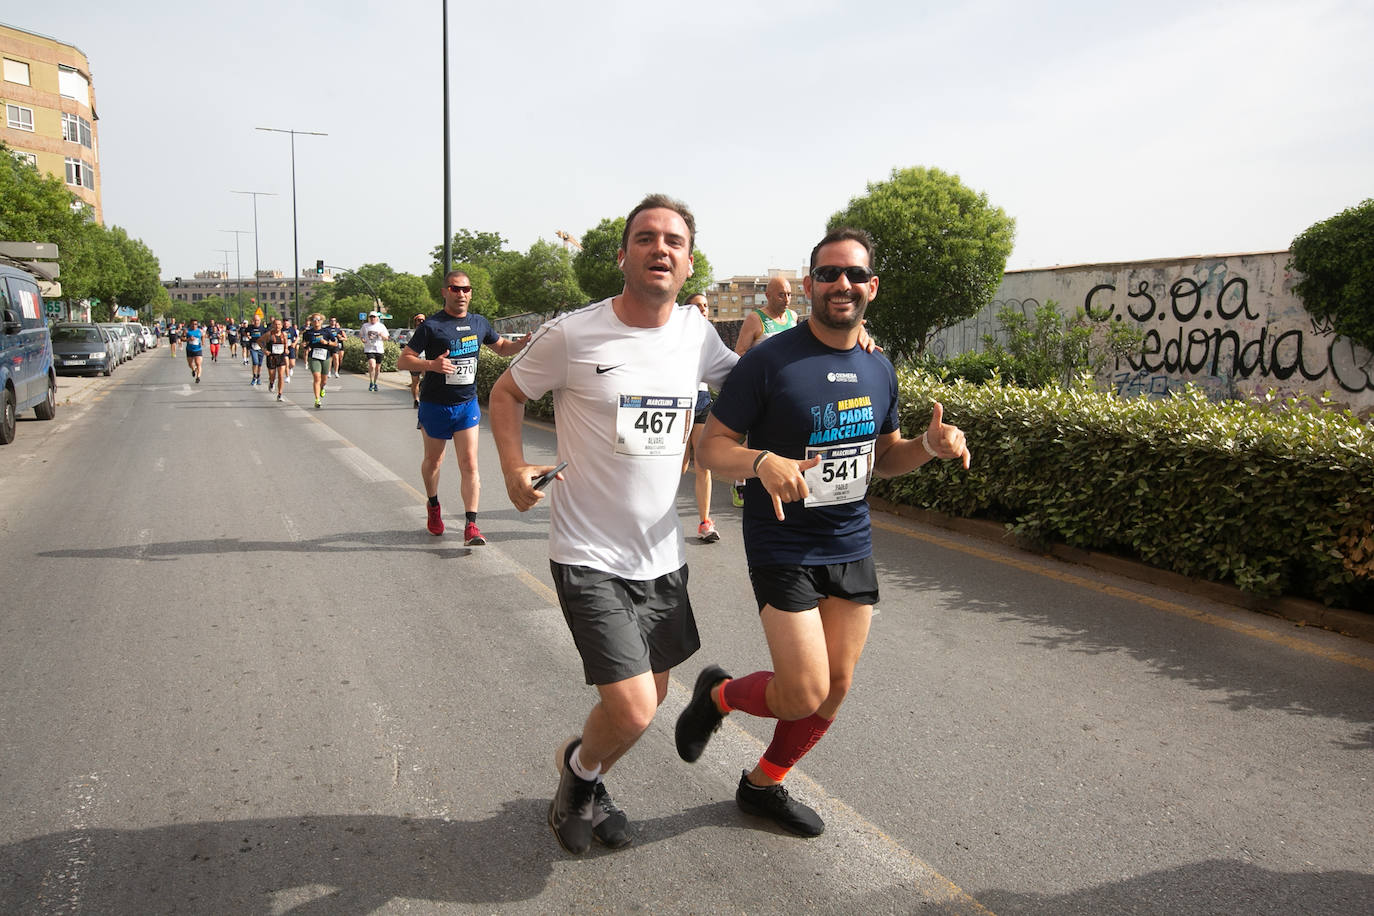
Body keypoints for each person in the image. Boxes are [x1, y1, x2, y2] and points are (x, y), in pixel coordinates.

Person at [675, 227, 971, 838]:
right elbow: (709, 447)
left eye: (855, 275)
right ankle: (720, 696)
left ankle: (762, 785)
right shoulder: (768, 362)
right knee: (801, 690)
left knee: (834, 691)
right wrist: (761, 461)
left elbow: (884, 457)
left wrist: (926, 448)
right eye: (830, 274)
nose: (843, 285)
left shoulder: (878, 367)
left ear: (872, 287)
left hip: (850, 540)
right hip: (782, 541)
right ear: (810, 285)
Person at [488, 194, 737, 855]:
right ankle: (577, 778)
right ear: (623, 254)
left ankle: (587, 776)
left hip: (660, 553)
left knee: (648, 700)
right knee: (630, 708)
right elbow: (507, 392)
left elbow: (754, 388)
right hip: (587, 552)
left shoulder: (696, 335)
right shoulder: (574, 333)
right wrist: (513, 470)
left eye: (674, 241)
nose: (661, 248)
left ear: (687, 265)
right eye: (647, 237)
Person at [398, 271, 529, 545]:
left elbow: (501, 347)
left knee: (469, 463)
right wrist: (431, 365)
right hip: (435, 404)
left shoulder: (479, 323)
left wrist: (520, 344)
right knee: (434, 461)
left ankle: (472, 526)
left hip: (466, 405)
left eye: (466, 289)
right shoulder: (432, 326)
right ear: (445, 292)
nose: (461, 294)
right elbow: (404, 360)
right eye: (455, 289)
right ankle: (434, 506)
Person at [727, 274, 800, 507]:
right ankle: (740, 482)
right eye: (781, 294)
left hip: (787, 389)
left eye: (789, 294)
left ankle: (779, 480)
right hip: (762, 389)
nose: (786, 299)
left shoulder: (793, 317)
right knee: (755, 437)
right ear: (767, 295)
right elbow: (739, 352)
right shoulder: (755, 319)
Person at [683, 293, 720, 543]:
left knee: (703, 463)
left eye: (706, 306)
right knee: (679, 464)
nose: (703, 309)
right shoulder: (675, 334)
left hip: (703, 400)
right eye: (697, 305)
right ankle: (656, 520)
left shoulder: (710, 336)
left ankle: (705, 523)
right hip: (679, 403)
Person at [301, 313, 341, 408]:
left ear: (322, 321)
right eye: (314, 320)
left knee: (324, 381)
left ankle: (322, 388)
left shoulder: (326, 332)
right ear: (311, 321)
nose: (316, 321)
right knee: (316, 378)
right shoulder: (308, 333)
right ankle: (317, 399)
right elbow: (305, 344)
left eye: (318, 320)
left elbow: (335, 343)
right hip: (313, 356)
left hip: (325, 356)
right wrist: (304, 346)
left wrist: (326, 342)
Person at [260, 317, 289, 400]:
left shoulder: (284, 334)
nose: (277, 326)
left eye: (279, 324)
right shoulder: (269, 334)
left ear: (282, 325)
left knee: (281, 376)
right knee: (272, 376)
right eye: (275, 324)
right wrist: (264, 350)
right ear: (273, 325)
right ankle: (271, 382)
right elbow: (259, 341)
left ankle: (280, 394)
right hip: (271, 357)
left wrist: (286, 349)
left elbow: (286, 344)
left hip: (281, 356)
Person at [360, 310, 389, 391]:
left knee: (377, 368)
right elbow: (361, 334)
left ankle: (375, 383)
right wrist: (363, 340)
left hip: (379, 349)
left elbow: (386, 338)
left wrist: (381, 335)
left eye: (374, 317)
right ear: (369, 318)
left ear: (377, 318)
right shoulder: (365, 326)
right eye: (371, 317)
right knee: (372, 365)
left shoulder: (381, 326)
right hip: (369, 349)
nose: (372, 318)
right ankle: (371, 382)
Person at [407, 313, 426, 409]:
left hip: (424, 360)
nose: (421, 322)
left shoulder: (428, 332)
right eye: (419, 320)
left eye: (423, 320)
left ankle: (426, 399)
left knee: (428, 379)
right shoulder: (411, 334)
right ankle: (416, 400)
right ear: (415, 322)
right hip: (414, 360)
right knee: (415, 381)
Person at [243, 314, 266, 384]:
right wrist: (247, 335)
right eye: (255, 320)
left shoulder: (263, 328)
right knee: (255, 362)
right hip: (253, 347)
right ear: (253, 321)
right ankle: (254, 377)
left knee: (259, 364)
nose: (257, 322)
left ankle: (258, 377)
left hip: (261, 348)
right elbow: (244, 332)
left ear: (260, 321)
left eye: (258, 320)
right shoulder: (250, 327)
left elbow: (267, 336)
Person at [282, 316, 298, 384]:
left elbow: (297, 337)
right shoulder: (281, 329)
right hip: (283, 348)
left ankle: (291, 368)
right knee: (286, 362)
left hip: (291, 347)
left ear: (289, 323)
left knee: (292, 364)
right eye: (284, 323)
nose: (286, 324)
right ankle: (287, 376)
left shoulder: (292, 329)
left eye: (287, 322)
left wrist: (294, 343)